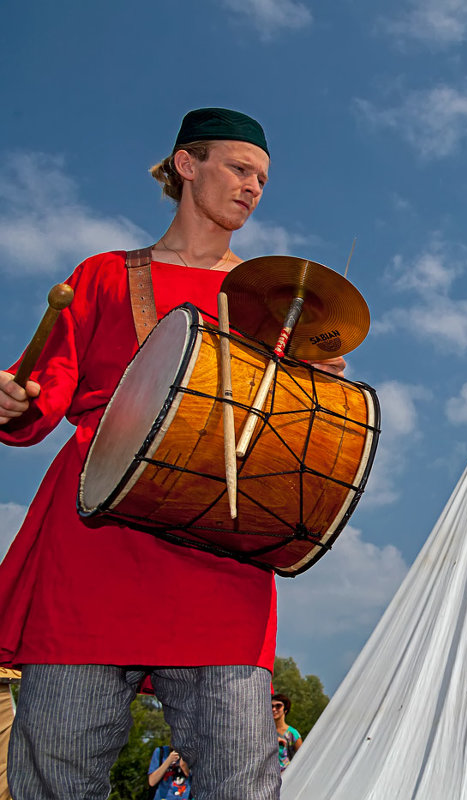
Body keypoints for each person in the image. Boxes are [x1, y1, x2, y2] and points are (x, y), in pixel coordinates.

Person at [0, 108, 342, 800]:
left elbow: (289, 438)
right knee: (54, 776)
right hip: (95, 546)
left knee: (240, 782)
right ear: (187, 165)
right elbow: (46, 396)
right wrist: (17, 398)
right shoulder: (100, 276)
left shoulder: (271, 302)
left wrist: (320, 389)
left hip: (218, 552)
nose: (253, 188)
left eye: (263, 179)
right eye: (239, 169)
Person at [272, 693, 303, 771]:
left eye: (278, 706)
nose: (274, 709)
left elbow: (303, 758)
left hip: (287, 777)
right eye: (271, 706)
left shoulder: (293, 734)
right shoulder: (264, 732)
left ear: (285, 710)